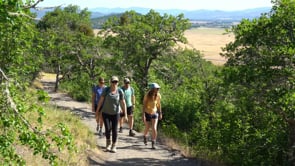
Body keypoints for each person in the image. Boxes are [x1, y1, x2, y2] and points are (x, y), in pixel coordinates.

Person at [96, 76, 127, 153]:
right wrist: (97, 111)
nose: (114, 83)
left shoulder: (120, 91)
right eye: (113, 82)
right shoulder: (106, 90)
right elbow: (101, 100)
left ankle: (114, 145)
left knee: (114, 129)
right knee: (107, 129)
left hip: (115, 113)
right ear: (110, 82)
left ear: (118, 82)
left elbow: (123, 103)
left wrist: (125, 114)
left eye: (116, 82)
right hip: (106, 113)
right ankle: (108, 144)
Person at [142, 83, 162, 149]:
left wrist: (160, 113)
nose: (158, 89)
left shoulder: (158, 95)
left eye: (158, 88)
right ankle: (144, 136)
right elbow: (144, 105)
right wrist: (143, 115)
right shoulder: (147, 95)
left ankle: (153, 142)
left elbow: (159, 105)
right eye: (157, 88)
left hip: (155, 113)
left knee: (154, 128)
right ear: (153, 89)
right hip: (148, 112)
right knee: (147, 128)